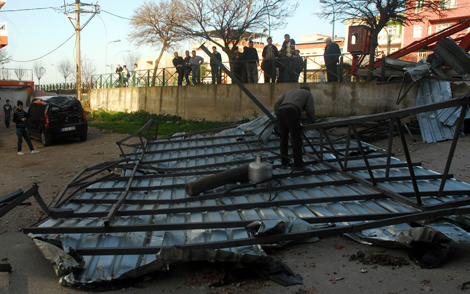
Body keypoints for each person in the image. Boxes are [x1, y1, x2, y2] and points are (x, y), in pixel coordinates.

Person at [274, 87, 315, 172]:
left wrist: (277, 115)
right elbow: (310, 110)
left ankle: (284, 163)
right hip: (292, 111)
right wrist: (313, 120)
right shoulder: (308, 94)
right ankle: (298, 165)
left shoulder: (289, 91)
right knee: (296, 138)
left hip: (280, 111)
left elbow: (276, 105)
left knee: (283, 138)